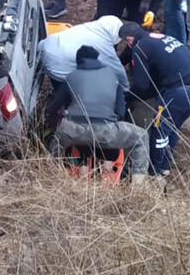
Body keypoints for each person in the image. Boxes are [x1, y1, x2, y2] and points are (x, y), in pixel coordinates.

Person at [44, 45, 149, 178]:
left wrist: (55, 125)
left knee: (57, 142)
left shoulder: (71, 77)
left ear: (78, 61)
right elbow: (121, 112)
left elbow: (54, 107)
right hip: (107, 131)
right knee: (142, 137)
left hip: (76, 131)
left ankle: (51, 176)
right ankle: (138, 187)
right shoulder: (113, 76)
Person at [122, 24, 190, 176]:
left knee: (159, 130)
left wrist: (127, 97)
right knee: (173, 127)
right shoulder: (162, 37)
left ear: (129, 39)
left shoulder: (140, 47)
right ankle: (165, 166)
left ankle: (153, 171)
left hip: (179, 93)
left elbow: (141, 86)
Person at [37, 15, 132, 90]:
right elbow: (117, 69)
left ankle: (56, 90)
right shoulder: (103, 43)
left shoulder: (88, 27)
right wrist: (125, 88)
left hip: (46, 49)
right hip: (59, 65)